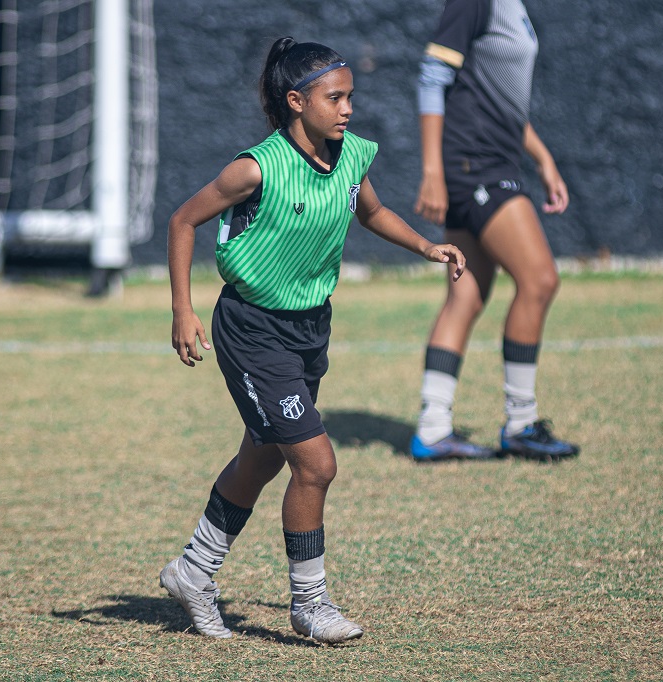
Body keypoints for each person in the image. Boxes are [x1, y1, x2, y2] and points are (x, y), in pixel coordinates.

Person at [160, 37, 467, 643]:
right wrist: (182, 310)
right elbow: (182, 221)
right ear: (297, 102)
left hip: (308, 327)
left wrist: (427, 245)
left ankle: (192, 570)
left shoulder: (349, 155)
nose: (348, 108)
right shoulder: (255, 167)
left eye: (351, 96)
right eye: (336, 97)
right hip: (253, 329)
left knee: (267, 454)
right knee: (316, 464)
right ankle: (310, 604)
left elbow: (372, 212)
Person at [409, 0, 580, 463]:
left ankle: (433, 428)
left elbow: (499, 97)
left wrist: (544, 159)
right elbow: (432, 76)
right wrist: (431, 172)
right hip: (475, 165)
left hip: (491, 161)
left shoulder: (513, 7)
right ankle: (521, 423)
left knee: (465, 297)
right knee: (540, 280)